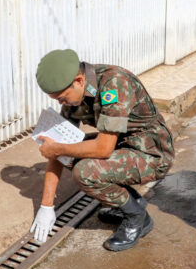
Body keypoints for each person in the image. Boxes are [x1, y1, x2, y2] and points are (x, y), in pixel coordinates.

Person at [31, 49, 174, 252]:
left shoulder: (114, 84)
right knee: (71, 153)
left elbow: (103, 149)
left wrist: (58, 148)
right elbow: (57, 150)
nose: (61, 103)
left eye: (62, 98)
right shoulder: (74, 96)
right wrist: (46, 206)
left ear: (79, 81)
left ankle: (137, 217)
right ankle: (131, 201)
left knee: (85, 172)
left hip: (151, 153)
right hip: (123, 145)